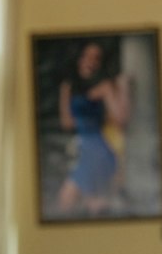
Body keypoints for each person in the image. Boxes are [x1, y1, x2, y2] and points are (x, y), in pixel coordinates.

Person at [56, 42, 131, 217]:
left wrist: (123, 88)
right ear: (79, 58)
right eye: (87, 56)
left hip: (99, 150)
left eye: (96, 58)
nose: (91, 61)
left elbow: (120, 119)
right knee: (83, 206)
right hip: (85, 150)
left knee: (74, 202)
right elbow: (67, 123)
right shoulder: (69, 86)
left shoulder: (104, 87)